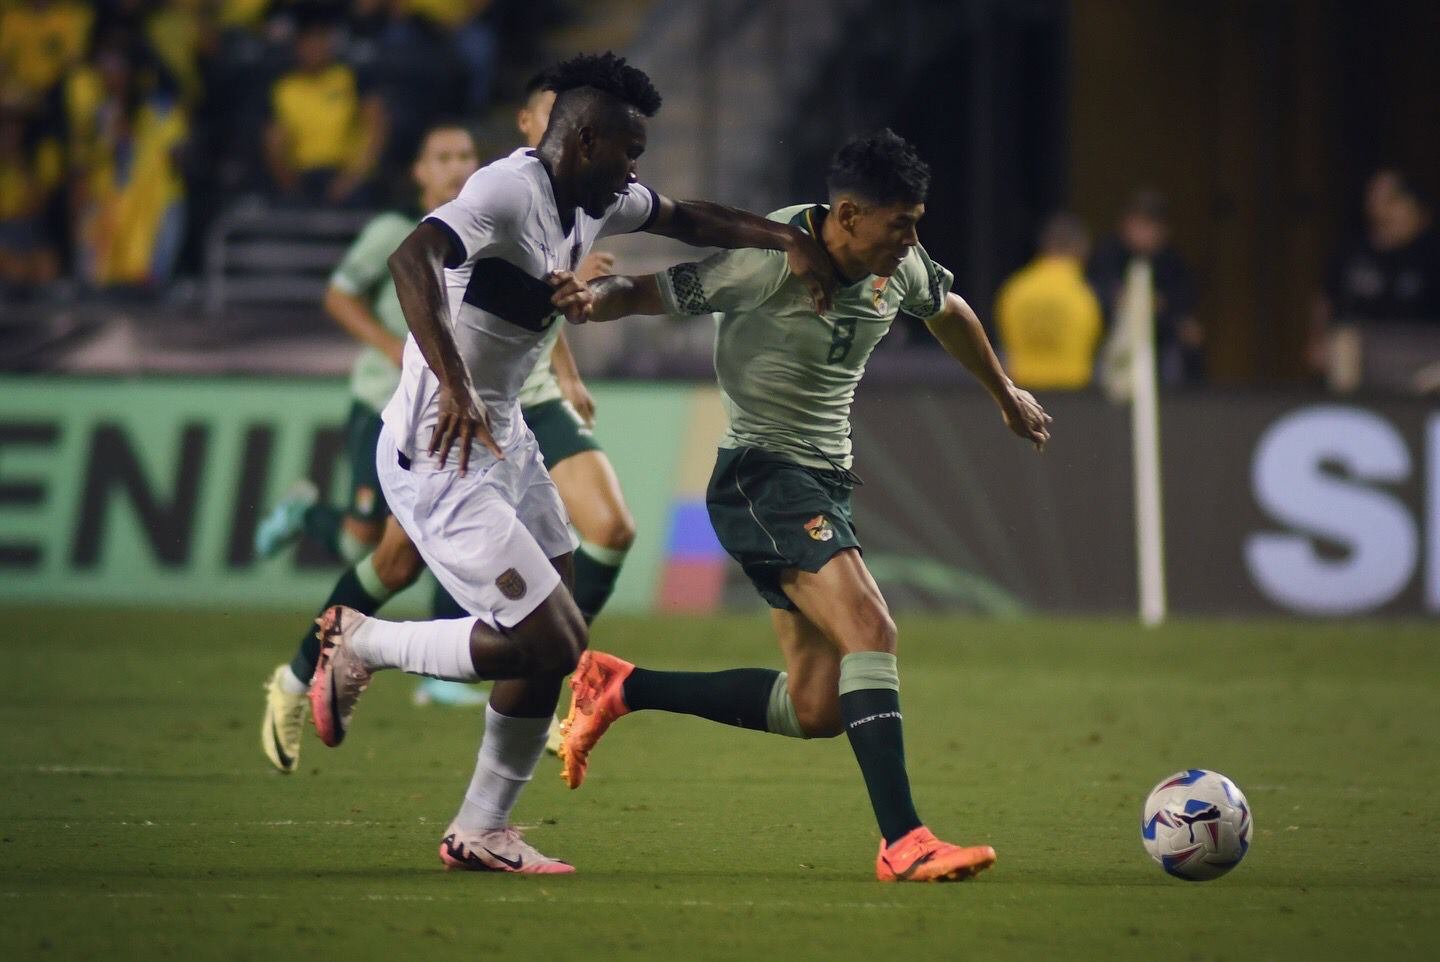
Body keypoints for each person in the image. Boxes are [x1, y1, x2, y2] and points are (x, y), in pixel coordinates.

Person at [302, 52, 835, 874]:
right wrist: (454, 384)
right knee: (549, 643)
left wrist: (785, 238)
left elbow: (689, 218)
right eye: (630, 150)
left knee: (559, 632)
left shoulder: (596, 196)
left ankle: (481, 829)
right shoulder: (505, 190)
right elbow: (412, 261)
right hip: (440, 447)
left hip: (502, 434)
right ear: (585, 138)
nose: (637, 170)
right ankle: (365, 642)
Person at [555, 129, 1051, 883]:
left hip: (822, 482)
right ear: (848, 215)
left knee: (817, 706)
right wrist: (593, 298)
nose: (912, 240)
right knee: (872, 629)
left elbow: (948, 309)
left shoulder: (898, 265)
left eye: (917, 221)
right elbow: (653, 294)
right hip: (762, 476)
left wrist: (1004, 393)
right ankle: (904, 841)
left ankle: (620, 686)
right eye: (900, 224)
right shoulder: (764, 261)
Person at [258, 69, 646, 770]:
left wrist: (568, 372)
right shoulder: (449, 213)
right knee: (388, 555)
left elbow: (539, 302)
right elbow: (371, 290)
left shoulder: (566, 202)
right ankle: (300, 673)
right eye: (442, 159)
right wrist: (401, 353)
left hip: (524, 404)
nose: (457, 167)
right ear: (535, 128)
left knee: (610, 528)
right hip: (427, 402)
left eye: (463, 156)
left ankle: (544, 663)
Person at [1310, 168, 1440, 391]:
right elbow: (1326, 300)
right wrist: (1318, 340)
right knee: (1344, 342)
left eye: (1392, 199)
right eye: (1374, 198)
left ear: (1415, 206)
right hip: (1365, 348)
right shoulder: (1352, 252)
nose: (1380, 208)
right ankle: (1350, 417)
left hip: (1425, 348)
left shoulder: (1432, 253)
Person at [263, 9, 385, 206]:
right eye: (307, 41)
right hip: (303, 178)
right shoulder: (285, 88)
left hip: (347, 176)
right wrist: (291, 186)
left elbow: (377, 127)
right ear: (297, 46)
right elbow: (274, 142)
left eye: (320, 40)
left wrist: (352, 178)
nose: (314, 47)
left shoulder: (350, 78)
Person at [1087, 188, 1203, 386]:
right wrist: (1118, 299)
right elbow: (1093, 295)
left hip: (1161, 339)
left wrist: (1160, 307)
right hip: (1112, 335)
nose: (1143, 233)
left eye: (1150, 227)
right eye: (1138, 224)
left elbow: (1183, 301)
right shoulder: (1108, 254)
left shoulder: (1171, 261)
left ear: (1163, 231)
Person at [995, 212, 1103, 390]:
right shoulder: (1084, 293)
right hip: (1073, 393)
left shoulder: (1015, 289)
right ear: (1081, 248)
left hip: (1023, 389)